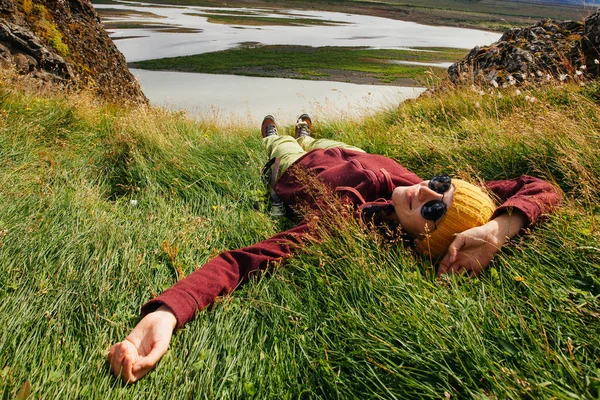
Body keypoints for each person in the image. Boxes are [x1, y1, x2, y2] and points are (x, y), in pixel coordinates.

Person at [108, 114, 562, 383]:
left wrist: (167, 312)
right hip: (348, 148)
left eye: (431, 211)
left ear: (429, 240)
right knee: (317, 138)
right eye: (439, 184)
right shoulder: (444, 194)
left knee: (282, 144)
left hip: (298, 167)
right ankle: (308, 129)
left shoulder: (342, 225)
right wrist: (500, 228)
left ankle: (277, 133)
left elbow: (245, 261)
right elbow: (542, 186)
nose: (422, 192)